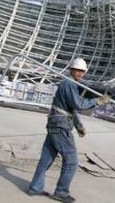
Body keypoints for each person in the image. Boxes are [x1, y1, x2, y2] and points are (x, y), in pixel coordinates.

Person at [27, 58, 110, 203]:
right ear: (71, 70)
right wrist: (96, 101)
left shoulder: (69, 85)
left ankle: (35, 187)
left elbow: (70, 109)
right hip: (60, 126)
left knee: (46, 159)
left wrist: (79, 126)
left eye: (82, 71)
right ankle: (61, 192)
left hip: (56, 123)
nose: (80, 74)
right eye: (77, 70)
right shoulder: (69, 84)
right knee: (71, 160)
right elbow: (78, 105)